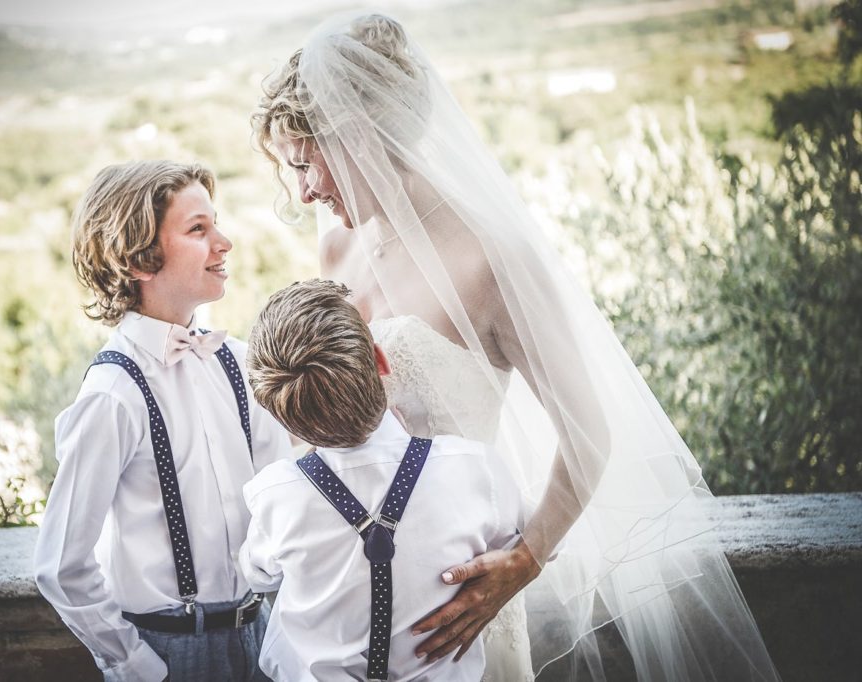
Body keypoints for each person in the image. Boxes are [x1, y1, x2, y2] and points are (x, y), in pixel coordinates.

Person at [252, 13, 780, 681]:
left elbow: (588, 431)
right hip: (348, 603)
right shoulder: (337, 247)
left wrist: (525, 561)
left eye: (305, 164)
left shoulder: (493, 255)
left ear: (357, 135)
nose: (303, 192)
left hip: (461, 600)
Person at [33, 160, 292, 681]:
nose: (225, 242)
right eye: (198, 229)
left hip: (262, 637)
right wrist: (136, 665)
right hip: (170, 650)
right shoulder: (114, 393)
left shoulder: (238, 364)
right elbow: (61, 565)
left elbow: (283, 504)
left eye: (215, 223)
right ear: (139, 260)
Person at [239, 278, 532, 681]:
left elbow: (257, 574)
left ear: (282, 415)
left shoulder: (276, 495)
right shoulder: (472, 467)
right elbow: (535, 542)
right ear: (380, 361)